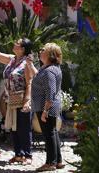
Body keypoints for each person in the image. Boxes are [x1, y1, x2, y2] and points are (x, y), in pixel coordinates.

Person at [0, 31, 34, 164]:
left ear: (22, 49)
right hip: (11, 100)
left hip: (22, 99)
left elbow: (29, 83)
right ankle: (18, 154)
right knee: (13, 126)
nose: (15, 44)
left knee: (24, 127)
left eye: (18, 43)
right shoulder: (12, 59)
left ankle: (27, 156)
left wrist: (27, 101)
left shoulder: (26, 63)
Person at [32, 43, 65, 171]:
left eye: (43, 50)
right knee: (53, 132)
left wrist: (45, 111)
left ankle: (50, 163)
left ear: (50, 54)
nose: (40, 51)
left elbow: (50, 92)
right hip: (47, 105)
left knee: (49, 134)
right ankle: (58, 161)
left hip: (46, 106)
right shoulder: (50, 68)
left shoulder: (50, 71)